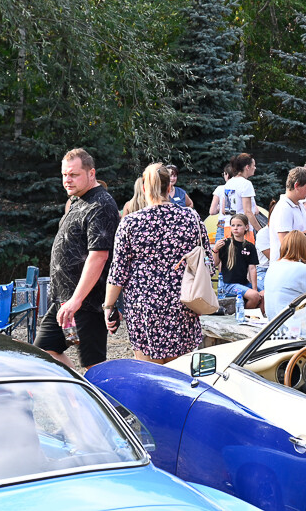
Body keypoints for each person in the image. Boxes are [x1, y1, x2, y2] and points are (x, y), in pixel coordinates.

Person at [104, 163, 210, 364]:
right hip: (183, 305)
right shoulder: (192, 218)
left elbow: (118, 271)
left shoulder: (130, 223)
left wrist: (109, 306)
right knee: (181, 375)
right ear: (170, 188)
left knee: (150, 375)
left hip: (143, 308)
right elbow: (209, 263)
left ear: (143, 188)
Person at [35, 148, 119, 370]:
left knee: (94, 366)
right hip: (65, 301)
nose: (67, 180)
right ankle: (77, 394)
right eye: (64, 175)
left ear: (91, 173)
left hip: (87, 303)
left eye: (73, 174)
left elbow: (99, 256)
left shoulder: (101, 204)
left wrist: (76, 300)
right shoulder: (78, 200)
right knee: (44, 352)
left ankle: (100, 402)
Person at [263, 231, 306, 319]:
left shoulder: (273, 266)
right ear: (304, 248)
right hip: (293, 324)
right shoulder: (305, 269)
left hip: (273, 323)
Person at [268, 167, 306, 260]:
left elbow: (301, 230)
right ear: (296, 185)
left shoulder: (300, 205)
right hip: (286, 267)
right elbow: (285, 241)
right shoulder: (283, 208)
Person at [213, 213, 262, 311]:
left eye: (239, 225)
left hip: (244, 284)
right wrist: (215, 250)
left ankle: (257, 318)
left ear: (246, 227)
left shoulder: (250, 246)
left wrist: (254, 288)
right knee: (255, 296)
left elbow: (252, 269)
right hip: (228, 285)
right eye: (233, 225)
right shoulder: (225, 243)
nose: (235, 228)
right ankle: (244, 314)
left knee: (264, 294)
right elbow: (215, 263)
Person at [222, 154, 262, 234]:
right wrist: (260, 230)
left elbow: (224, 210)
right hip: (243, 230)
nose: (255, 168)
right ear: (247, 167)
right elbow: (247, 211)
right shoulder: (246, 184)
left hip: (229, 227)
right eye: (253, 165)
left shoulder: (229, 183)